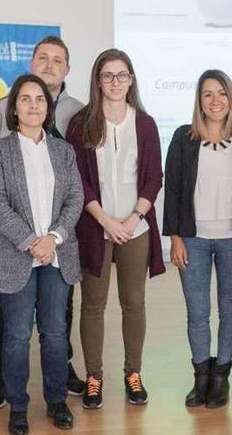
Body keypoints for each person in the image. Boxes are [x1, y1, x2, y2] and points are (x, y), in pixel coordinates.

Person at [0, 35, 86, 409]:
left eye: (58, 59)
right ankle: (8, 389)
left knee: (55, 330)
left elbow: (76, 193)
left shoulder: (75, 121)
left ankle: (57, 394)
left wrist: (54, 237)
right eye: (42, 58)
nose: (49, 64)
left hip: (57, 251)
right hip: (15, 250)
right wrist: (26, 238)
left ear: (67, 68)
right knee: (15, 331)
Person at [66, 48, 165, 409]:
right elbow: (78, 182)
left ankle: (132, 373)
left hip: (135, 227)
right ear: (97, 80)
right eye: (107, 76)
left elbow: (154, 177)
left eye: (122, 75)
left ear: (131, 79)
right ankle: (94, 376)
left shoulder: (146, 123)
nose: (115, 82)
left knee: (133, 302)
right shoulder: (80, 123)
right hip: (96, 227)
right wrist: (107, 221)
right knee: (92, 305)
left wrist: (133, 219)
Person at [163, 69, 232, 409]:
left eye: (222, 93)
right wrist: (175, 237)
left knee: (229, 309)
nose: (216, 101)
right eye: (208, 94)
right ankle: (201, 376)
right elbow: (173, 190)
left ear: (231, 98)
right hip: (193, 239)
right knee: (197, 313)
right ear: (199, 101)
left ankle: (220, 378)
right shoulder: (183, 138)